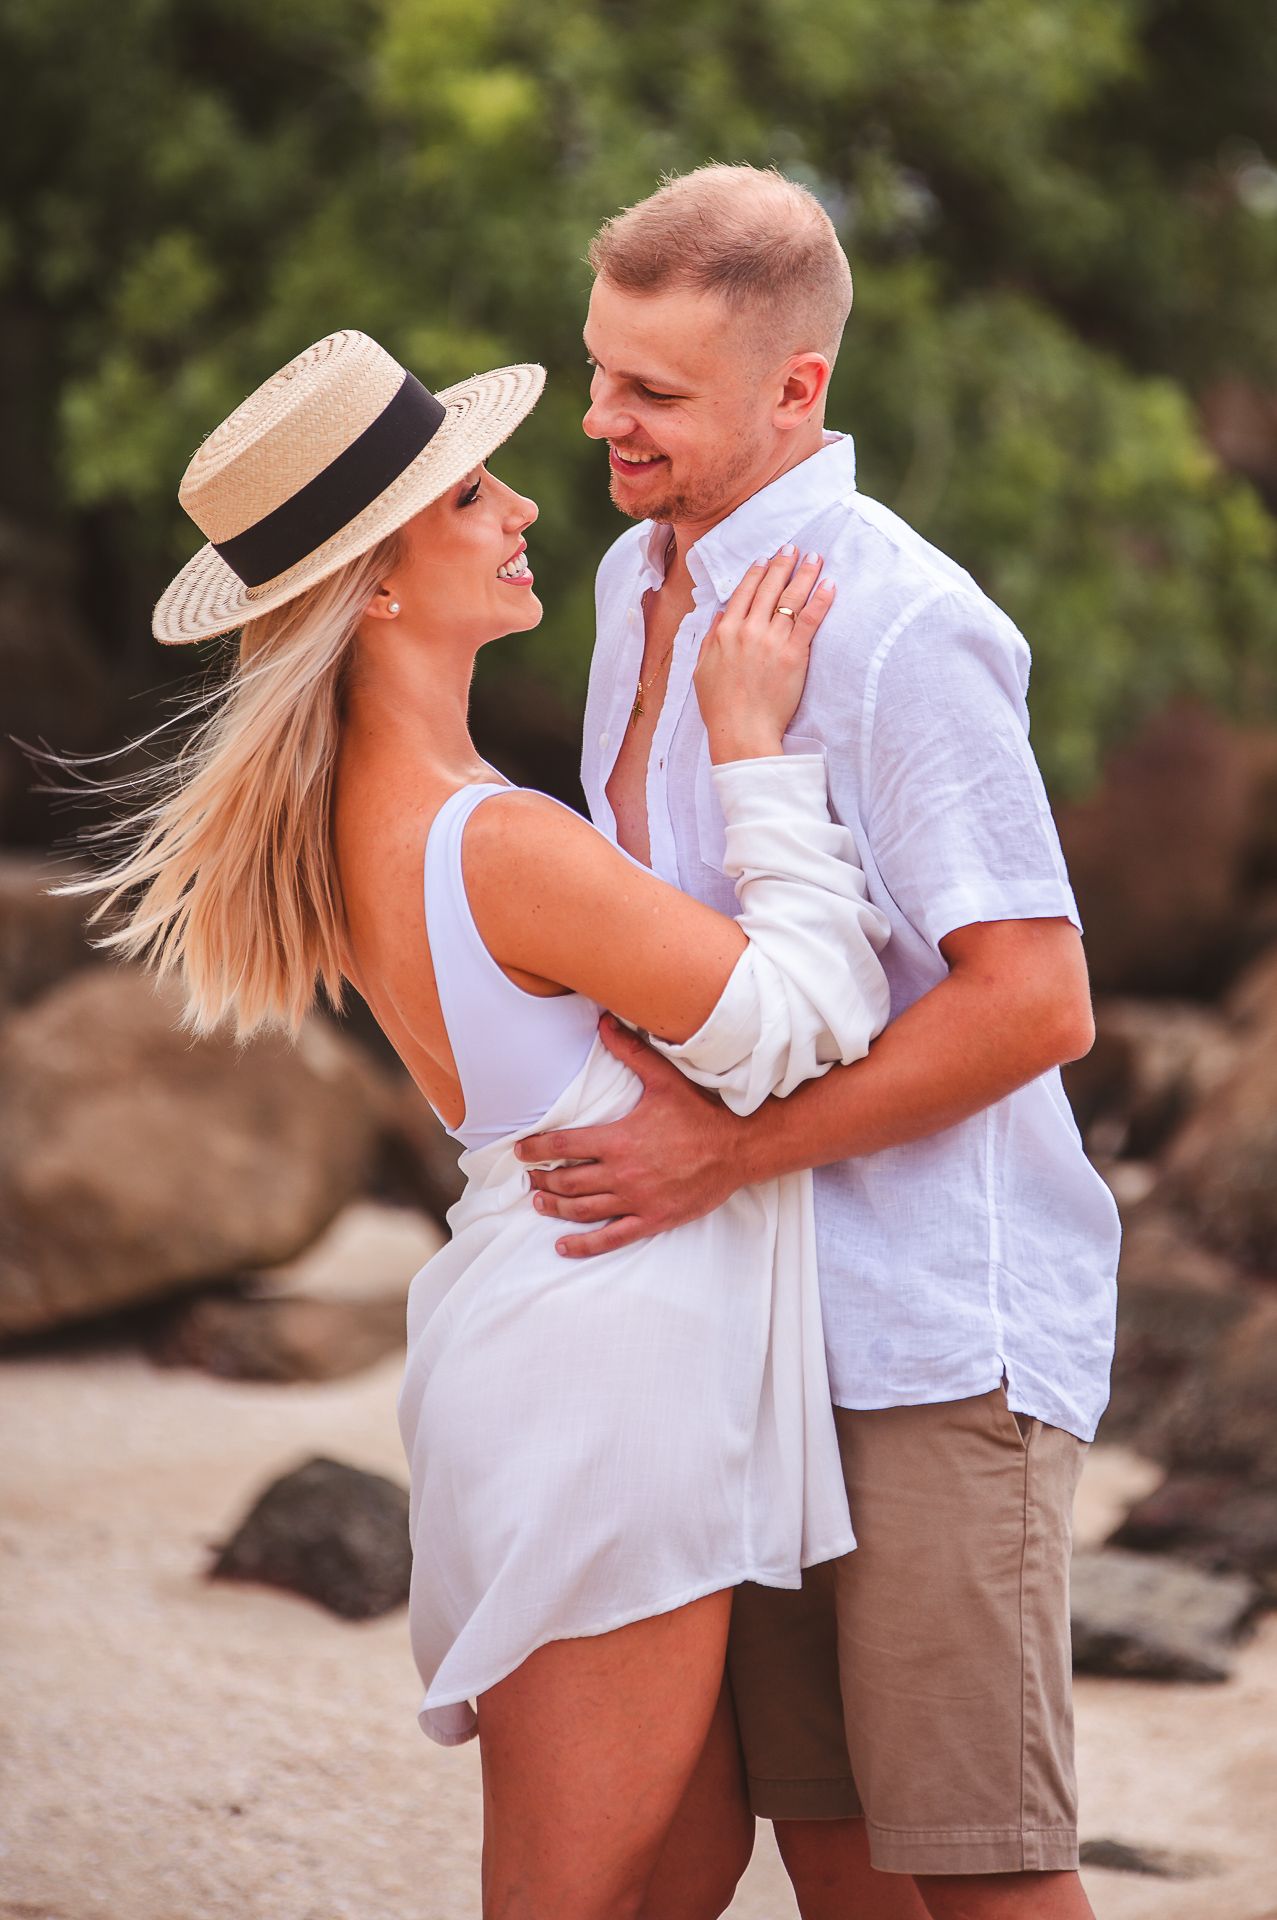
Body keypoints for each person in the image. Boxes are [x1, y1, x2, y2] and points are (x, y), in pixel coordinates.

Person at [56, 329, 897, 1920]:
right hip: (606, 1375)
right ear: (372, 585)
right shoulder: (494, 837)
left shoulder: (380, 815)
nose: (520, 509)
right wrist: (747, 747)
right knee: (580, 1890)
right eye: (466, 499)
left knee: (681, 1866)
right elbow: (813, 1021)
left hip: (567, 1339)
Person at [517, 164, 1121, 1920]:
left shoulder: (902, 623)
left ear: (798, 389)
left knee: (983, 1869)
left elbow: (1036, 1000)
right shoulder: (631, 578)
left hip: (931, 1341)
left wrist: (719, 1155)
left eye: (652, 391)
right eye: (598, 369)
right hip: (745, 1328)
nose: (601, 421)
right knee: (832, 1845)